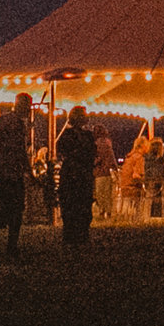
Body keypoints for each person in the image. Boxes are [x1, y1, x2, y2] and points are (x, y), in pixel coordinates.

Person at [0, 93, 33, 255]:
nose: (28, 110)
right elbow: (19, 151)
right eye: (27, 106)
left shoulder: (5, 121)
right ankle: (9, 244)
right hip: (10, 173)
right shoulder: (15, 124)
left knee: (3, 209)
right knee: (15, 210)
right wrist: (28, 170)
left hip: (4, 173)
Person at [57, 105, 98, 246]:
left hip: (78, 174)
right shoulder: (74, 135)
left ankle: (78, 235)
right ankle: (74, 235)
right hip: (76, 174)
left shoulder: (82, 135)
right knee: (74, 205)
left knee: (79, 206)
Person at [92, 124, 118, 221]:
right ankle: (108, 212)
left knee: (100, 194)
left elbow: (98, 158)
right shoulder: (107, 143)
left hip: (100, 172)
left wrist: (92, 163)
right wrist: (114, 167)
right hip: (107, 172)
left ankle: (102, 212)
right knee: (107, 194)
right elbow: (111, 157)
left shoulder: (98, 144)